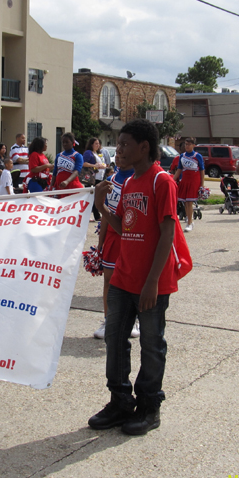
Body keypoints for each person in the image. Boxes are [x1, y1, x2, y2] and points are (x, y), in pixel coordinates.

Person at [89, 119, 192, 436]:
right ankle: (120, 401)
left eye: (123, 144)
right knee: (115, 340)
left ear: (144, 147)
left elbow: (167, 233)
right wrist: (101, 206)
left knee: (151, 344)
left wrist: (152, 282)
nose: (117, 150)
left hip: (152, 283)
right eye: (116, 144)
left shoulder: (162, 182)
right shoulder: (130, 181)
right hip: (123, 277)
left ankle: (149, 407)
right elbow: (125, 227)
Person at [94, 155, 138, 340]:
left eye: (124, 151)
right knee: (109, 281)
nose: (119, 156)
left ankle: (134, 320)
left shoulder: (138, 179)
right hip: (113, 236)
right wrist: (100, 244)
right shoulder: (110, 181)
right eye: (117, 152)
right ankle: (108, 320)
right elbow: (105, 213)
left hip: (134, 237)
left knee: (133, 281)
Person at [172, 137, 205, 232]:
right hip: (185, 180)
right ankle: (189, 218)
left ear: (193, 145)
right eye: (186, 144)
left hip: (194, 180)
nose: (187, 146)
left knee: (190, 202)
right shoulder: (182, 156)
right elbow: (179, 169)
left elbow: (202, 170)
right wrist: (172, 180)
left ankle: (189, 222)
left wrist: (202, 184)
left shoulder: (197, 156)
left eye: (189, 144)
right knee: (185, 202)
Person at [83, 138, 110, 220]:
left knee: (98, 196)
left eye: (98, 143)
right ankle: (95, 215)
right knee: (93, 196)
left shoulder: (99, 153)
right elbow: (84, 163)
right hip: (92, 178)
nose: (98, 145)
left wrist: (104, 166)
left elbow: (104, 163)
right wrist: (94, 166)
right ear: (91, 144)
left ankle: (96, 215)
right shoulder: (88, 153)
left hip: (100, 177)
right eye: (96, 143)